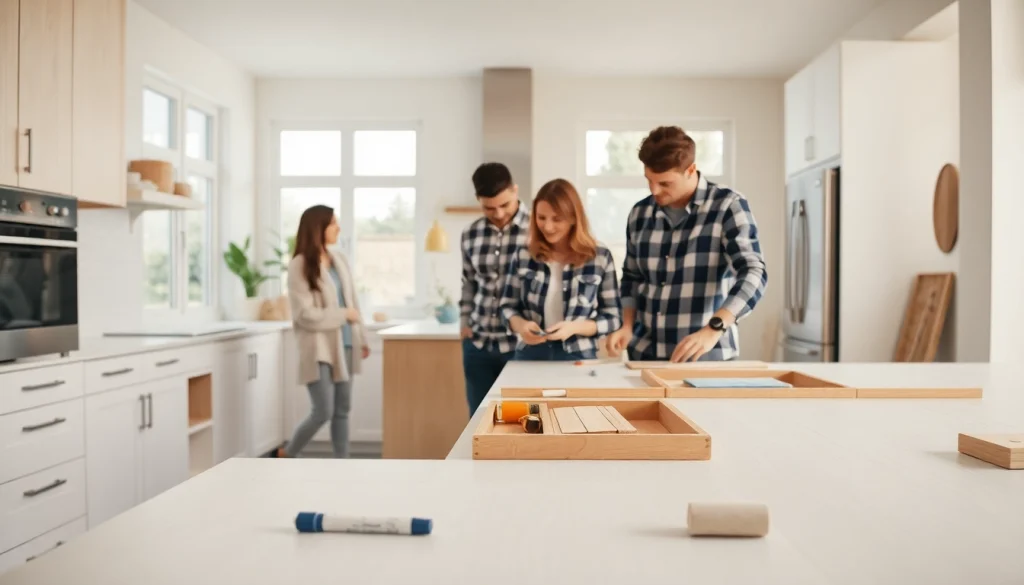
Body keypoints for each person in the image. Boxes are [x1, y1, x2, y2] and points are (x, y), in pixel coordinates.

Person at [606, 126, 767, 363]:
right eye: (649, 180)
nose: (654, 190)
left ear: (690, 170)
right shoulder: (639, 213)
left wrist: (715, 327)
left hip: (706, 358)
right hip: (644, 356)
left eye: (665, 183)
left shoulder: (727, 206)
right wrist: (626, 326)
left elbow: (754, 272)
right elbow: (632, 278)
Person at [277, 205, 370, 458]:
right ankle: (288, 452)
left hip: (347, 343)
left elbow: (352, 301)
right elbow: (304, 315)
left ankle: (343, 462)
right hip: (318, 348)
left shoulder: (339, 259)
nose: (338, 228)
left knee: (342, 409)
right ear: (318, 228)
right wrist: (343, 316)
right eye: (333, 224)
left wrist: (361, 336)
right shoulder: (299, 265)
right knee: (323, 410)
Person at [500, 178, 621, 361]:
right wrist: (521, 325)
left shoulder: (599, 257)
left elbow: (613, 317)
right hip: (530, 354)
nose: (547, 227)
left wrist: (574, 327)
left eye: (557, 219)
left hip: (579, 354)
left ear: (573, 217)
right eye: (541, 218)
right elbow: (506, 307)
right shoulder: (524, 255)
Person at [460, 162, 529, 415]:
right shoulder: (470, 234)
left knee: (520, 421)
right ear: (478, 200)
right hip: (478, 345)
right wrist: (464, 323)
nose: (498, 213)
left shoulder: (538, 230)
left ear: (515, 191)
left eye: (504, 205)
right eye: (489, 208)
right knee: (478, 420)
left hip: (520, 348)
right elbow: (468, 282)